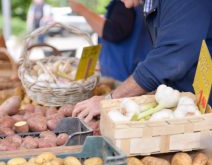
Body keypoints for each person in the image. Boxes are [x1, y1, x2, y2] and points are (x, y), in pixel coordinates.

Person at [73, 0, 212, 122]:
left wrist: (108, 100)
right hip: (186, 104)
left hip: (202, 109)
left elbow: (168, 59)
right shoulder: (150, 4)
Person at [69, 0, 152, 82]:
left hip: (125, 75)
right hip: (126, 71)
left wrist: (82, 10)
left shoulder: (124, 3)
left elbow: (113, 31)